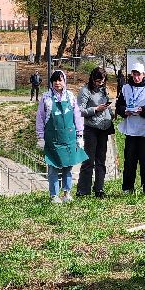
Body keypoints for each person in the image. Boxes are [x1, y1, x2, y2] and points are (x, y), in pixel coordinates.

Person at [36, 69, 86, 203]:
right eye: (55, 80)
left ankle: (67, 193)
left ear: (64, 81)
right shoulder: (46, 97)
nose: (57, 83)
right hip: (52, 139)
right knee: (53, 167)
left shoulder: (70, 96)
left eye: (60, 80)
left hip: (68, 138)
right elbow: (40, 118)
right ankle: (54, 195)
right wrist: (40, 137)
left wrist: (80, 135)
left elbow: (77, 116)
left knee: (67, 167)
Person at [116, 62, 145, 194]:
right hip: (130, 130)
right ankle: (128, 187)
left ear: (144, 74)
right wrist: (124, 111)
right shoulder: (125, 88)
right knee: (129, 161)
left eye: (138, 74)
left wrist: (143, 111)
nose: (135, 77)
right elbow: (119, 106)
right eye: (133, 74)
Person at [76, 68, 114, 197]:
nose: (100, 84)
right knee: (88, 160)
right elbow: (79, 110)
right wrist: (95, 109)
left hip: (103, 128)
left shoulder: (104, 90)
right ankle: (83, 190)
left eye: (102, 81)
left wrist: (111, 113)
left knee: (101, 160)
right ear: (92, 79)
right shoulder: (85, 91)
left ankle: (99, 189)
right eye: (98, 81)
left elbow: (107, 107)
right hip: (91, 128)